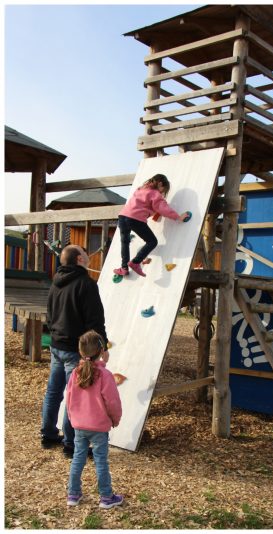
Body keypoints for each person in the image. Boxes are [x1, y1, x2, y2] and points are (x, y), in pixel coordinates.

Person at [42, 245, 108, 458]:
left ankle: (49, 435)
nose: (89, 256)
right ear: (80, 259)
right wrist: (101, 345)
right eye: (86, 253)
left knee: (54, 392)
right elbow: (95, 321)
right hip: (74, 350)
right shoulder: (86, 284)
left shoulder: (56, 282)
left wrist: (55, 335)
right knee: (75, 397)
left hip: (56, 346)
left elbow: (49, 315)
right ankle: (71, 445)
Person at [65, 330, 123, 509]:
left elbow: (68, 398)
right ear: (101, 351)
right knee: (101, 461)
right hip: (99, 428)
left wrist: (72, 417)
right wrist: (115, 419)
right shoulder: (105, 375)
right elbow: (113, 402)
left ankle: (73, 495)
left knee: (77, 458)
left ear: (81, 351)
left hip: (79, 426)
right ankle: (106, 497)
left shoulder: (76, 373)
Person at [113, 173, 189, 277]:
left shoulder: (140, 189)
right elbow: (163, 208)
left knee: (125, 242)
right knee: (152, 241)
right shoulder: (155, 194)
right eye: (163, 189)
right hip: (135, 219)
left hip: (122, 216)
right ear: (160, 184)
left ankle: (124, 268)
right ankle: (135, 262)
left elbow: (140, 206)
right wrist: (178, 217)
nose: (162, 192)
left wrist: (152, 212)